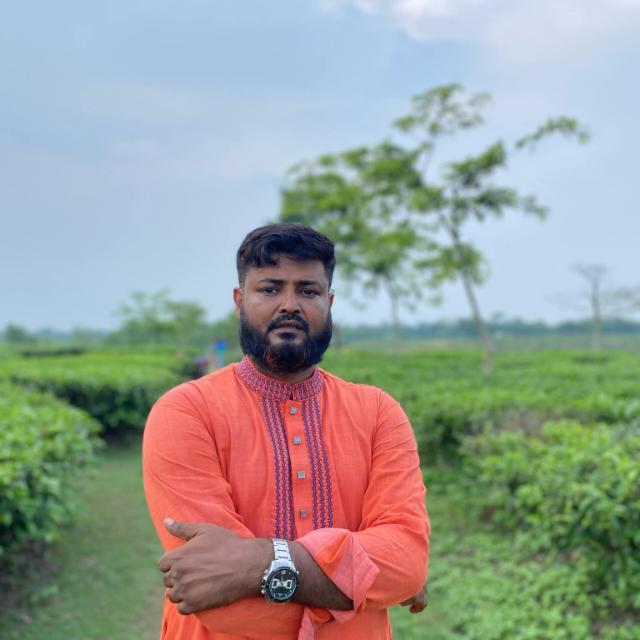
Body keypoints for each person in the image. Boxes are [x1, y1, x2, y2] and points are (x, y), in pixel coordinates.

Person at [142, 223, 430, 640]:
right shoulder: (186, 412)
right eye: (270, 289)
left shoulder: (378, 413)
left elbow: (406, 560)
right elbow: (214, 595)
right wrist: (364, 586)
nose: (290, 305)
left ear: (329, 303)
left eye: (308, 291)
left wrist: (256, 565)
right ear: (239, 301)